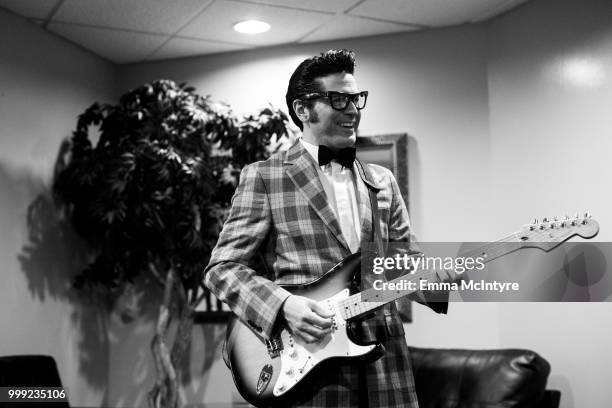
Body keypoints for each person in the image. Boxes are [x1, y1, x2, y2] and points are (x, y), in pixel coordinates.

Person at [204, 49, 447, 408]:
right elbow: (223, 270)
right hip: (309, 367)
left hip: (386, 365)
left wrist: (435, 281)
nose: (353, 110)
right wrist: (285, 305)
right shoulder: (265, 177)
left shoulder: (383, 181)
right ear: (303, 110)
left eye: (356, 98)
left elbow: (402, 266)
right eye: (339, 99)